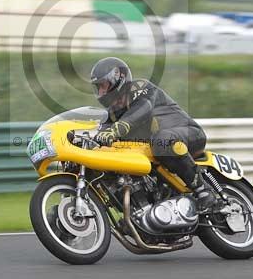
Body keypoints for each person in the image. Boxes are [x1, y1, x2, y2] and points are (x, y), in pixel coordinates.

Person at [89, 57, 218, 211]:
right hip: (156, 152)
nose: (101, 92)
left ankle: (203, 191)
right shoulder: (112, 113)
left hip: (187, 133)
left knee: (161, 141)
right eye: (99, 88)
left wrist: (117, 129)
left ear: (119, 79)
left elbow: (142, 109)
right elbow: (101, 130)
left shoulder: (139, 87)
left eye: (104, 86)